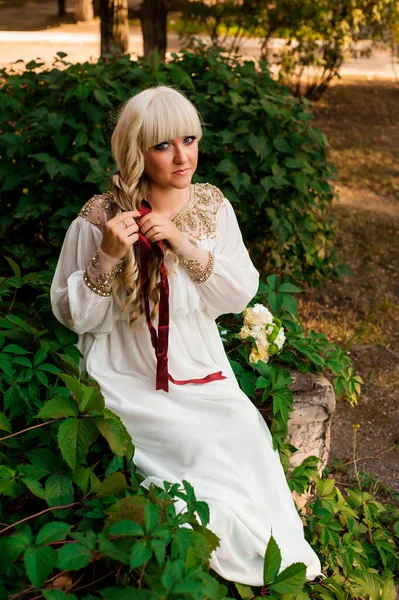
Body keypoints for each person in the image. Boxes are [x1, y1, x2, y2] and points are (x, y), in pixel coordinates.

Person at [50, 85, 322, 586]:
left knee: (241, 430)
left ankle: (270, 561)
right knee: (191, 445)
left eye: (190, 139)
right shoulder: (99, 217)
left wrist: (181, 241)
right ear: (137, 151)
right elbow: (77, 318)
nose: (183, 156)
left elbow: (238, 292)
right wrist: (107, 256)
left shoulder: (211, 207)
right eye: (163, 145)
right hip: (127, 369)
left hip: (198, 362)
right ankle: (187, 546)